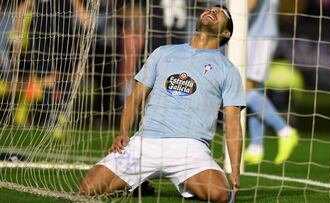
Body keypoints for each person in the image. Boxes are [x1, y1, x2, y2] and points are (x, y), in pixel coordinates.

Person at [79, 5, 246, 202]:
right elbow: (135, 98)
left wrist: (235, 169)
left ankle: (183, 181)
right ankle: (137, 184)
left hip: (189, 148)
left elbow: (233, 123)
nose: (212, 11)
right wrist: (123, 132)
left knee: (221, 195)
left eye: (221, 13)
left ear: (226, 32)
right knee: (88, 189)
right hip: (145, 144)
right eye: (210, 8)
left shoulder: (228, 69)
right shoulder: (163, 52)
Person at [244, 0, 299, 165]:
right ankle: (256, 147)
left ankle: (284, 130)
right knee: (255, 91)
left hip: (258, 37)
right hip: (257, 35)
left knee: (244, 90)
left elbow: (247, 6)